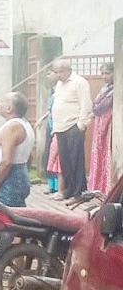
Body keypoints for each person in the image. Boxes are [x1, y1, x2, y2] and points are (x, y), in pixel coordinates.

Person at [0, 92, 34, 207]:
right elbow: (29, 157)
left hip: (8, 180)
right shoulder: (24, 123)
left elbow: (6, 161)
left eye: (3, 101)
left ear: (9, 108)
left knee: (5, 216)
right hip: (16, 175)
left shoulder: (12, 127)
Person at [51, 59, 93, 200]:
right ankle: (68, 190)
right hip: (60, 127)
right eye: (56, 72)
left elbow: (86, 104)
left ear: (68, 70)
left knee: (76, 160)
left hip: (73, 126)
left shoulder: (79, 82)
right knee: (65, 161)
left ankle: (78, 191)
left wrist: (81, 125)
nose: (58, 75)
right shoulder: (58, 84)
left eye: (60, 72)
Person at [88, 62, 114, 194]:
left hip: (108, 126)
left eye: (108, 73)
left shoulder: (115, 90)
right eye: (103, 73)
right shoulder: (105, 89)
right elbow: (95, 105)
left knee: (106, 155)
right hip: (99, 125)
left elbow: (102, 106)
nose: (105, 76)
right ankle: (97, 186)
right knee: (98, 153)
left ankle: (106, 186)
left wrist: (95, 110)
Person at [34, 68, 60, 195]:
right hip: (50, 127)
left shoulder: (63, 89)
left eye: (50, 73)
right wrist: (41, 119)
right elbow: (51, 110)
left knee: (57, 157)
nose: (48, 76)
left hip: (59, 127)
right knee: (49, 156)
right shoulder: (53, 90)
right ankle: (52, 185)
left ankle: (59, 186)